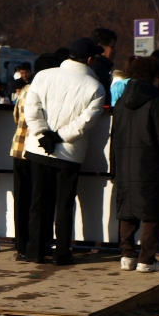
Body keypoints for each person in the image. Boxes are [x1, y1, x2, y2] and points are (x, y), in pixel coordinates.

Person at [23, 37, 105, 265]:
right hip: (70, 153)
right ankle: (61, 253)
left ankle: (36, 250)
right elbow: (84, 123)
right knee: (64, 205)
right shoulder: (95, 87)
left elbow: (32, 108)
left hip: (38, 149)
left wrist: (43, 135)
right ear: (90, 59)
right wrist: (59, 137)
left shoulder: (43, 76)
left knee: (39, 201)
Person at [110, 56, 159, 273]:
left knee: (127, 211)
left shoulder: (120, 102)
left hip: (124, 164)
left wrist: (114, 168)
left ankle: (127, 255)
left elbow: (114, 137)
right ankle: (146, 259)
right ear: (153, 77)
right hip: (151, 164)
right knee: (152, 212)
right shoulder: (155, 101)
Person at [10, 53, 59, 259]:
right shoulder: (47, 91)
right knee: (39, 201)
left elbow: (15, 117)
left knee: (21, 201)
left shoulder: (25, 91)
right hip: (36, 152)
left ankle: (21, 245)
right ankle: (38, 244)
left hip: (17, 149)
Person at [91, 28, 117, 106]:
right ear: (100, 47)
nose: (114, 51)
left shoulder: (102, 66)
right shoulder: (98, 68)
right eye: (112, 46)